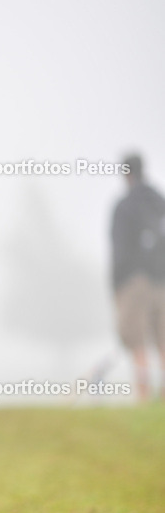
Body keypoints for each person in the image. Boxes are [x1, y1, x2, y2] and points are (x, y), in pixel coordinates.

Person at [111, 153, 165, 400]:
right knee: (162, 339)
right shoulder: (159, 202)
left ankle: (143, 396)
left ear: (126, 173)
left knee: (138, 342)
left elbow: (119, 250)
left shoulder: (125, 207)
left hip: (134, 283)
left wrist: (117, 286)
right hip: (161, 279)